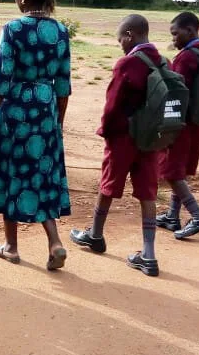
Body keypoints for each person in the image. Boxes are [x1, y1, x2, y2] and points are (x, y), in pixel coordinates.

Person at [0, 0, 71, 271]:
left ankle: (11, 247)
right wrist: (57, 122)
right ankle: (55, 242)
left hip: (16, 112)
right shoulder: (61, 32)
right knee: (41, 175)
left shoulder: (13, 29)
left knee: (10, 173)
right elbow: (64, 85)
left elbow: (2, 80)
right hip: (46, 111)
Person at [70, 14, 163, 277]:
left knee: (108, 185)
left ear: (130, 35)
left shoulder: (128, 63)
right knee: (147, 193)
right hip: (151, 138)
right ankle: (149, 255)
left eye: (121, 38)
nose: (120, 43)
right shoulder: (162, 61)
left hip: (124, 136)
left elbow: (112, 106)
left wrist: (105, 131)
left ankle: (95, 235)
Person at [157, 11, 199, 239]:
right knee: (179, 169)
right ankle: (172, 216)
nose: (173, 39)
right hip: (197, 123)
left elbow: (176, 92)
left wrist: (164, 124)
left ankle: (198, 216)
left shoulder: (186, 57)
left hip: (181, 124)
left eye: (175, 33)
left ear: (190, 30)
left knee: (171, 171)